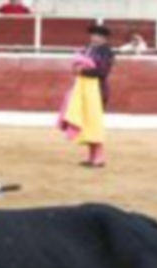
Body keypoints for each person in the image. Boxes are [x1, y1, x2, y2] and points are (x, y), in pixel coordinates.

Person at [57, 24, 114, 168]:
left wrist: (82, 71)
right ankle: (91, 156)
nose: (94, 38)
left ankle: (99, 157)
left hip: (97, 90)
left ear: (104, 38)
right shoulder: (89, 49)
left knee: (94, 123)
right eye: (93, 35)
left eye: (97, 35)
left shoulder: (106, 51)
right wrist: (76, 68)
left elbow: (102, 72)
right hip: (86, 90)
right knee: (88, 123)